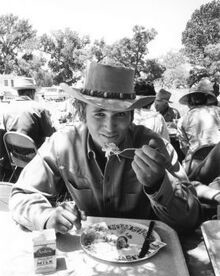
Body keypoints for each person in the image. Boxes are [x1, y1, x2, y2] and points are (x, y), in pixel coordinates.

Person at [9, 62, 201, 234]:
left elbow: (190, 218)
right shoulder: (63, 144)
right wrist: (47, 217)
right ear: (83, 115)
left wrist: (159, 184)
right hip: (88, 252)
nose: (109, 128)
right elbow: (21, 195)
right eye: (100, 114)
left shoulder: (155, 148)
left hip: (145, 255)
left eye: (119, 115)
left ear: (131, 117)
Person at [177, 79, 220, 204]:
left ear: (190, 101)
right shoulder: (218, 111)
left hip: (195, 166)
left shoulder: (183, 119)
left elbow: (184, 148)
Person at [2, 77, 56, 148]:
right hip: (36, 154)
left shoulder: (7, 109)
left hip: (14, 154)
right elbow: (50, 133)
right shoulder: (38, 108)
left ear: (18, 93)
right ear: (31, 93)